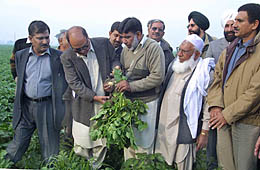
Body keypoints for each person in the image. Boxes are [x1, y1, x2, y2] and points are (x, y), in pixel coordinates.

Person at [5, 20, 67, 164]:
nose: (45, 41)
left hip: (47, 106)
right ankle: (6, 165)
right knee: (18, 142)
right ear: (31, 38)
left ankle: (51, 166)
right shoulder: (21, 55)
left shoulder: (58, 57)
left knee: (50, 147)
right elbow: (17, 74)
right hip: (25, 105)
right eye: (40, 38)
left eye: (47, 37)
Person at [207, 3, 260, 170]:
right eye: (234, 20)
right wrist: (215, 106)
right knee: (226, 166)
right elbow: (216, 80)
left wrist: (227, 114)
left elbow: (255, 92)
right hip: (223, 119)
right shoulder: (230, 49)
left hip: (248, 122)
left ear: (254, 24)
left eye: (239, 20)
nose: (234, 25)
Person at [61, 26, 120, 168]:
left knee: (101, 137)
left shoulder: (103, 44)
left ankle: (96, 165)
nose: (83, 51)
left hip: (105, 101)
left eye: (85, 46)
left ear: (88, 38)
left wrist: (115, 74)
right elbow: (74, 83)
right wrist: (93, 97)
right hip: (83, 103)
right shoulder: (67, 56)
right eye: (77, 49)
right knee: (82, 136)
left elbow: (115, 59)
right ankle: (83, 163)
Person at [154, 34, 214, 170]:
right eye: (179, 49)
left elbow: (208, 105)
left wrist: (204, 132)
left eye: (184, 51)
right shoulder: (173, 67)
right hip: (165, 128)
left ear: (197, 54)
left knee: (183, 164)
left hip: (184, 129)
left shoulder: (204, 74)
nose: (179, 54)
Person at [113, 17, 165, 160]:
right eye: (122, 37)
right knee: (129, 143)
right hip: (129, 104)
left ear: (139, 35)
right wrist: (114, 81)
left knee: (144, 144)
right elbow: (123, 74)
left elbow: (157, 77)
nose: (124, 41)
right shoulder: (125, 51)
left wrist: (131, 86)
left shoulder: (153, 48)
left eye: (128, 37)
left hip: (147, 103)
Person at [204, 9, 237, 170]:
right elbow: (207, 71)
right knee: (213, 140)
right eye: (227, 26)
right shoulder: (214, 46)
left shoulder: (244, 46)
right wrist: (215, 102)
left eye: (233, 25)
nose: (230, 29)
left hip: (236, 101)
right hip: (215, 99)